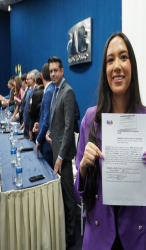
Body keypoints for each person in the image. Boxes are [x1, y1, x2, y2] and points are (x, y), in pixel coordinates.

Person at [74, 32, 146, 250]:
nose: (116, 65)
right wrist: (83, 168)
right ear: (105, 70)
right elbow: (79, 192)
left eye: (123, 57)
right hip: (98, 239)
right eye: (110, 60)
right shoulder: (90, 119)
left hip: (136, 241)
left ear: (132, 66)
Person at [45, 56, 76, 248]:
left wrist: (60, 158)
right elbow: (56, 122)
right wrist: (49, 131)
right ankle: (65, 230)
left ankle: (71, 239)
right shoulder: (56, 90)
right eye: (51, 71)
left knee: (68, 198)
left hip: (62, 157)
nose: (53, 74)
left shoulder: (68, 92)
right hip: (55, 149)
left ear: (63, 71)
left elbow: (68, 128)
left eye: (56, 70)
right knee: (62, 197)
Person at [33, 63, 54, 168]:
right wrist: (39, 124)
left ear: (42, 76)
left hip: (47, 144)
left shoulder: (49, 92)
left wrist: (38, 140)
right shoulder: (51, 90)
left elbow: (47, 120)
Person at [28, 72, 44, 141]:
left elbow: (32, 114)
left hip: (37, 126)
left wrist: (31, 105)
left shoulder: (36, 93)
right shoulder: (45, 91)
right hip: (41, 125)